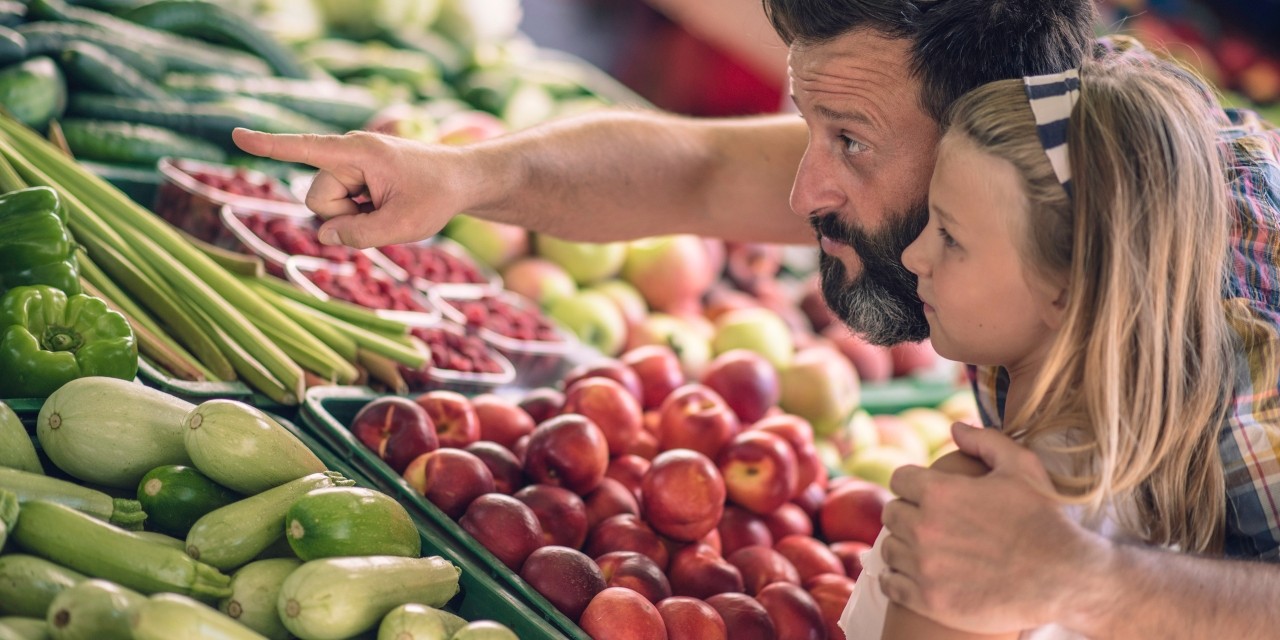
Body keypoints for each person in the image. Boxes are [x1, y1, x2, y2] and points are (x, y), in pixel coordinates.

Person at [232, 0, 1280, 634]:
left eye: (850, 141)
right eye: (807, 126)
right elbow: (694, 171)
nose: (800, 191)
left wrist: (1093, 584)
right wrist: (460, 176)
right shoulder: (1026, 158)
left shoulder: (1222, 313)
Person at [844, 54, 1238, 640]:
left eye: (951, 236)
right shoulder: (1184, 510)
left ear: (1067, 291)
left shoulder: (971, 519)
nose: (913, 256)